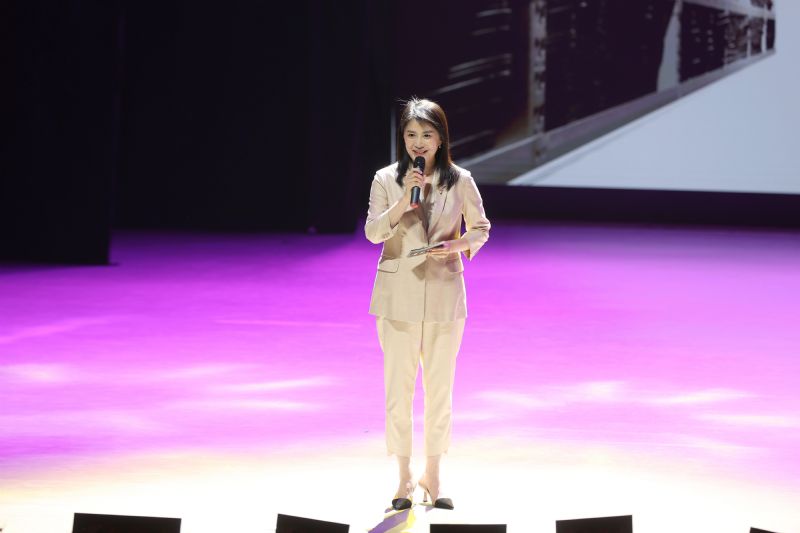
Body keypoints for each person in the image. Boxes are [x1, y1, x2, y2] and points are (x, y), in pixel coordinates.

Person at [364, 97, 490, 511]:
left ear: (440, 139)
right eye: (411, 135)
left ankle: (432, 474)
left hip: (444, 296)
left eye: (427, 135)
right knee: (398, 390)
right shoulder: (386, 179)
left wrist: (456, 245)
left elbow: (481, 229)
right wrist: (403, 202)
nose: (418, 143)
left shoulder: (461, 180)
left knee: (440, 391)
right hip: (397, 297)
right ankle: (403, 476)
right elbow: (372, 233)